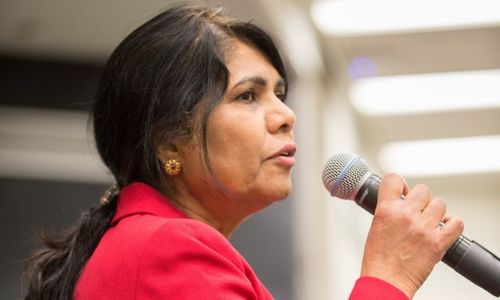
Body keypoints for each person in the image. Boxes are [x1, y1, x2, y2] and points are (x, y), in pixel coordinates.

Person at [23, 5, 464, 300]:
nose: (286, 115)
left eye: (280, 93)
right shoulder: (166, 248)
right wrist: (389, 278)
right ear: (168, 142)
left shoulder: (148, 242)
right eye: (248, 96)